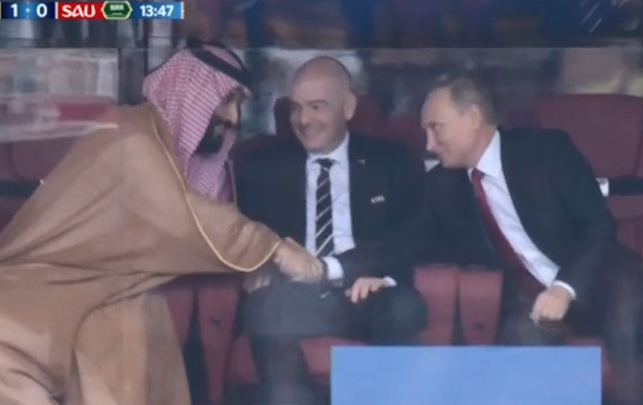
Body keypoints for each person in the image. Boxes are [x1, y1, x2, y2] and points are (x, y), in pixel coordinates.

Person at [0, 39, 324, 405]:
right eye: (226, 100)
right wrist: (272, 248)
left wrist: (257, 261)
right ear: (190, 94)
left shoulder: (172, 150)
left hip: (115, 285)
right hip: (49, 276)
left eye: (238, 103)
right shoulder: (132, 139)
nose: (234, 117)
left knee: (116, 330)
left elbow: (201, 221)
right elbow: (183, 215)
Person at [421, 71, 643, 404]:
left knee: (627, 316)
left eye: (436, 128)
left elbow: (598, 227)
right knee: (521, 337)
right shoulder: (441, 186)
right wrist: (380, 273)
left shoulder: (546, 151)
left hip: (602, 279)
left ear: (473, 117)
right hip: (533, 300)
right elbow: (414, 238)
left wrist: (564, 288)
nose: (429, 144)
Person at [235, 56, 427, 405]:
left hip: (366, 288)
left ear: (348, 107)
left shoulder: (390, 162)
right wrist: (257, 262)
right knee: (263, 308)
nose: (303, 120)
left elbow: (410, 235)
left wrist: (382, 276)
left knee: (405, 307)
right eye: (295, 108)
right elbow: (240, 230)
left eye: (317, 106)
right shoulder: (262, 167)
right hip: (293, 295)